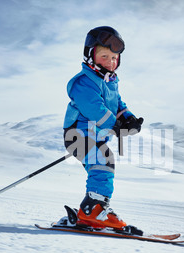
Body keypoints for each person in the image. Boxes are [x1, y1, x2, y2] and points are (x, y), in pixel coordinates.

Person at [63, 26, 144, 230]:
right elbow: (95, 110)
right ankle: (93, 211)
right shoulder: (84, 82)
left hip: (95, 137)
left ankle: (92, 210)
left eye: (115, 58)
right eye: (105, 55)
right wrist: (115, 125)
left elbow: (118, 104)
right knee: (103, 162)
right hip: (78, 135)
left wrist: (128, 119)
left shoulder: (110, 82)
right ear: (90, 55)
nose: (111, 61)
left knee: (102, 168)